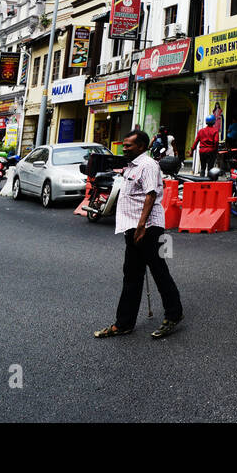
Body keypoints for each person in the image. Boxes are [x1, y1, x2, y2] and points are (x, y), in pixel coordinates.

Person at [94, 128, 183, 340]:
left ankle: (174, 314)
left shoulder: (148, 165)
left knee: (159, 271)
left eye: (128, 146)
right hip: (132, 228)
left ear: (141, 147)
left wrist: (142, 226)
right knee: (131, 275)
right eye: (124, 146)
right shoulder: (131, 166)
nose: (124, 149)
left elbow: (151, 195)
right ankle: (123, 323)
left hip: (148, 228)